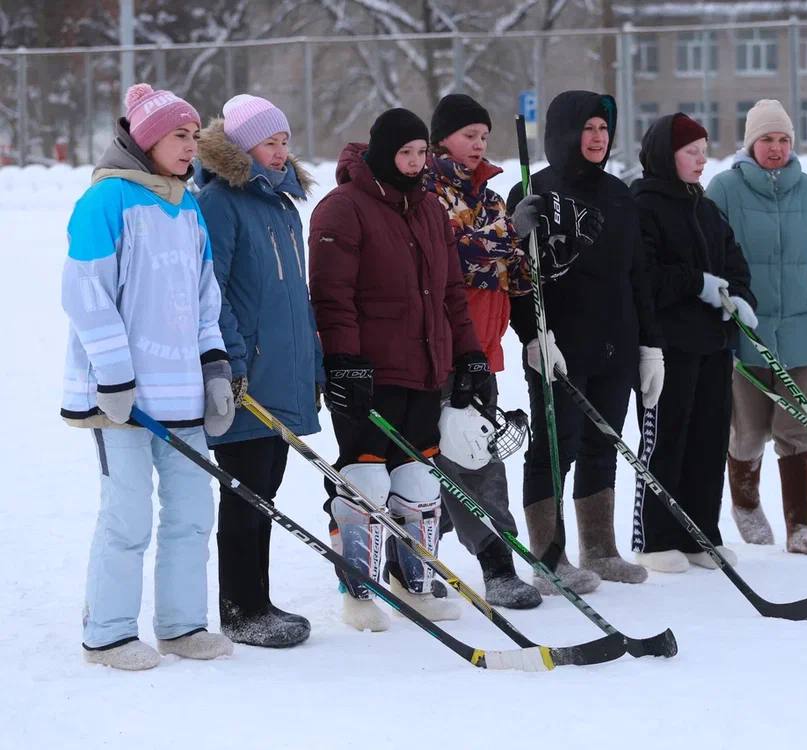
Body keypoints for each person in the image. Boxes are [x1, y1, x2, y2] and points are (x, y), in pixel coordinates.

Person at [61, 83, 236, 670]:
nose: (192, 147)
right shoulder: (105, 201)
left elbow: (205, 296)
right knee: (128, 514)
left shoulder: (187, 206)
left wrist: (214, 366)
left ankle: (181, 625)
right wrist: (112, 373)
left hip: (182, 391)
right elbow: (85, 293)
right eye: (180, 136)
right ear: (147, 140)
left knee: (191, 512)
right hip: (122, 400)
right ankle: (107, 634)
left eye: (194, 136)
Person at [309, 108, 492, 630]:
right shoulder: (343, 209)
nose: (414, 164)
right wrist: (343, 360)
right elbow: (330, 294)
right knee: (366, 476)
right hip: (368, 372)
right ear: (382, 153)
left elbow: (452, 294)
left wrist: (469, 354)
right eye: (404, 154)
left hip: (424, 366)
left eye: (421, 154)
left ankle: (415, 582)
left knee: (419, 478)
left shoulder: (430, 210)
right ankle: (358, 592)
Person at [507, 90, 663, 594]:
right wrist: (533, 338)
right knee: (555, 448)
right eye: (588, 129)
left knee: (604, 444)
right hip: (559, 347)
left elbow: (638, 274)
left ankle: (600, 548)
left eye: (604, 130)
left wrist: (649, 344)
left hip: (616, 343)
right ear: (565, 132)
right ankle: (549, 556)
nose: (597, 139)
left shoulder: (620, 194)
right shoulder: (532, 191)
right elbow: (515, 276)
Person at [706, 100, 807, 556]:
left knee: (798, 431)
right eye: (766, 140)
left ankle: (801, 526)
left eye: (783, 140)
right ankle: (747, 505)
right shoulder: (724, 190)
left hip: (799, 335)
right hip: (745, 334)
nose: (775, 148)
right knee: (748, 432)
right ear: (751, 143)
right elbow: (710, 260)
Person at [195, 94, 322, 647]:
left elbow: (296, 297)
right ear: (241, 147)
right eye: (268, 142)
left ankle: (259, 600)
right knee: (245, 493)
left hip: (284, 375)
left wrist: (312, 365)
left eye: (284, 141)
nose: (279, 152)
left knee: (265, 490)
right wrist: (232, 361)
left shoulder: (283, 207)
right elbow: (212, 290)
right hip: (248, 375)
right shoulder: (220, 202)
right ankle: (240, 609)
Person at [422, 93, 541, 609]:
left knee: (458, 464)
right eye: (468, 135)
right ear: (442, 138)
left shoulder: (489, 197)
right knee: (473, 463)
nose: (477, 144)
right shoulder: (428, 190)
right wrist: (510, 232)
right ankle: (498, 564)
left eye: (484, 137)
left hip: (483, 352)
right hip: (442, 350)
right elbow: (453, 259)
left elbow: (509, 275)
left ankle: (416, 554)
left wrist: (538, 253)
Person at [630, 113, 755, 574]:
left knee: (708, 439)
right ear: (667, 154)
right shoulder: (642, 203)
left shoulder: (704, 207)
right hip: (666, 346)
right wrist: (695, 283)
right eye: (691, 151)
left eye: (705, 150)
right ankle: (655, 537)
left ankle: (700, 532)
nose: (702, 159)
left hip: (713, 345)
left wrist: (739, 298)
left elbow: (736, 262)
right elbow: (644, 276)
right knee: (667, 439)